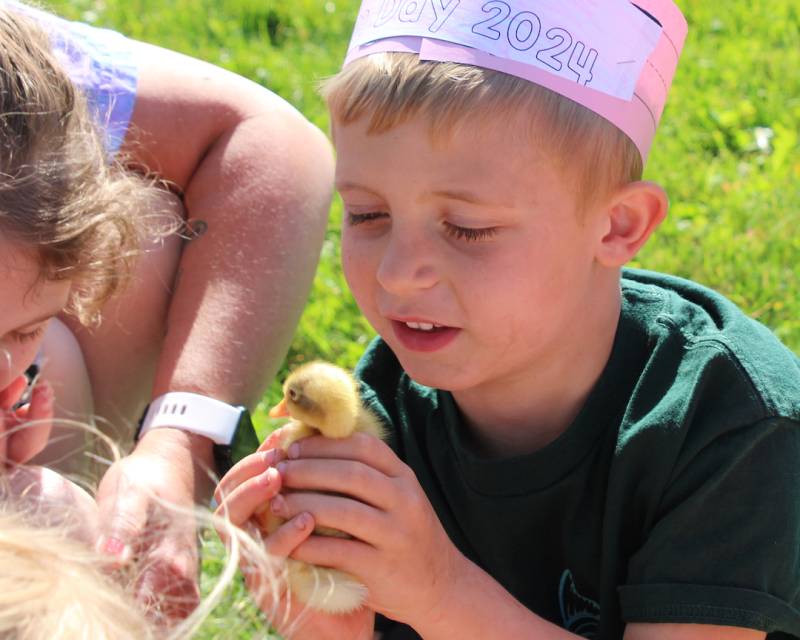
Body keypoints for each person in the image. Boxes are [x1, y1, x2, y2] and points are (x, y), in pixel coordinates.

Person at [217, 0, 800, 638]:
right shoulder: (383, 411)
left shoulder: (732, 426)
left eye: (468, 228)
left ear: (616, 226)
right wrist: (326, 618)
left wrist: (439, 593)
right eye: (365, 214)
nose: (396, 272)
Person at [1, 0, 334, 622]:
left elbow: (269, 141)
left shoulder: (20, 75)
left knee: (144, 228)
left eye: (22, 331)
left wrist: (180, 438)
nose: (4, 374)